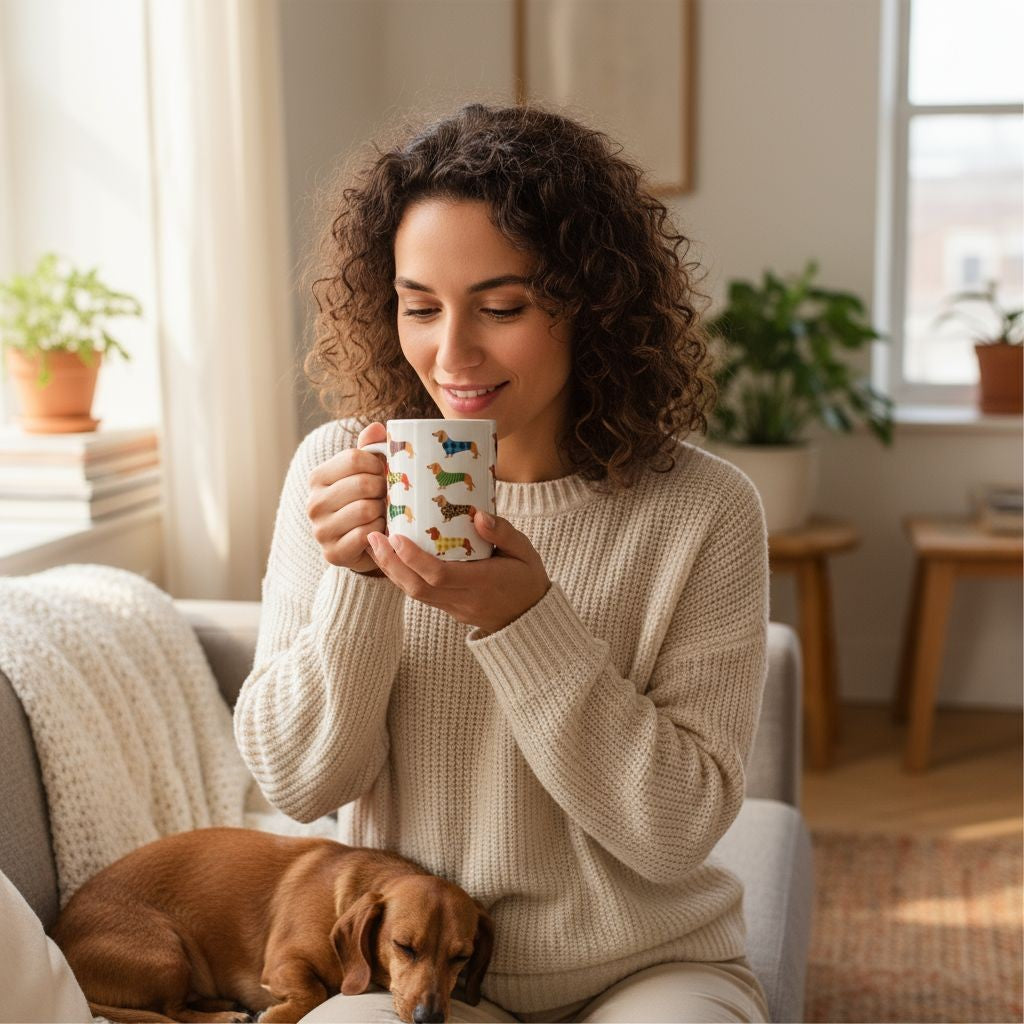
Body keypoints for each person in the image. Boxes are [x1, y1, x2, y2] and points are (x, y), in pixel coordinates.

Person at [233, 101, 771, 1024]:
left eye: (502, 307)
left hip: (645, 969)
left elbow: (677, 831)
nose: (452, 355)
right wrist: (358, 581)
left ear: (592, 306)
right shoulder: (336, 471)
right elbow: (299, 783)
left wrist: (524, 623)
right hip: (419, 979)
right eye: (419, 307)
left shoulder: (704, 511)